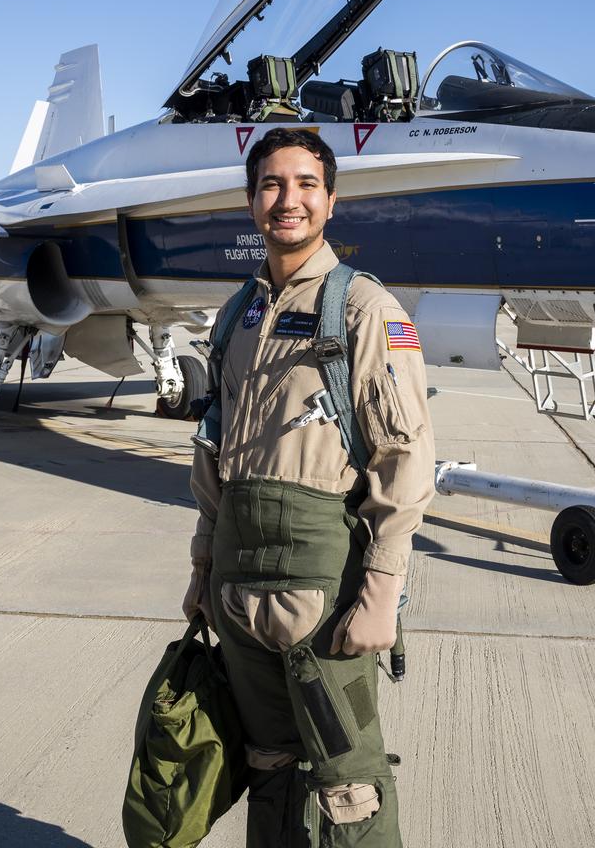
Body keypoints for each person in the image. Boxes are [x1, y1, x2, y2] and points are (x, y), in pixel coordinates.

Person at [182, 127, 435, 846]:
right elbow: (216, 452)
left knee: (347, 780)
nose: (286, 200)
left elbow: (405, 456)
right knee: (270, 764)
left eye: (304, 185)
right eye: (271, 184)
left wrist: (382, 591)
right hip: (236, 573)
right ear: (252, 200)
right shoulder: (239, 314)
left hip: (322, 576)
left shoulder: (363, 309)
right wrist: (203, 568)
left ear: (330, 201)